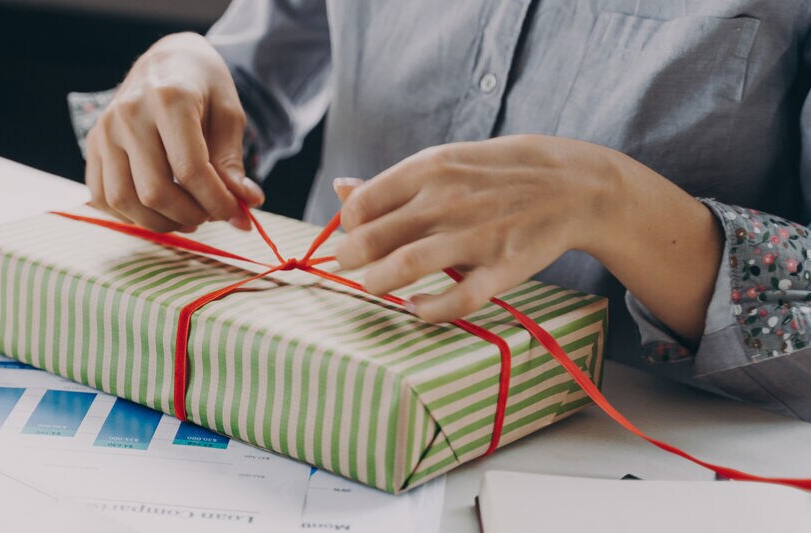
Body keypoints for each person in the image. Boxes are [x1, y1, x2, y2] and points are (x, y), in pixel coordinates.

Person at [68, 1, 811, 421]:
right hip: (294, 398)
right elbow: (246, 88)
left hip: (615, 483)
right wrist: (182, 70)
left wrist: (611, 200)